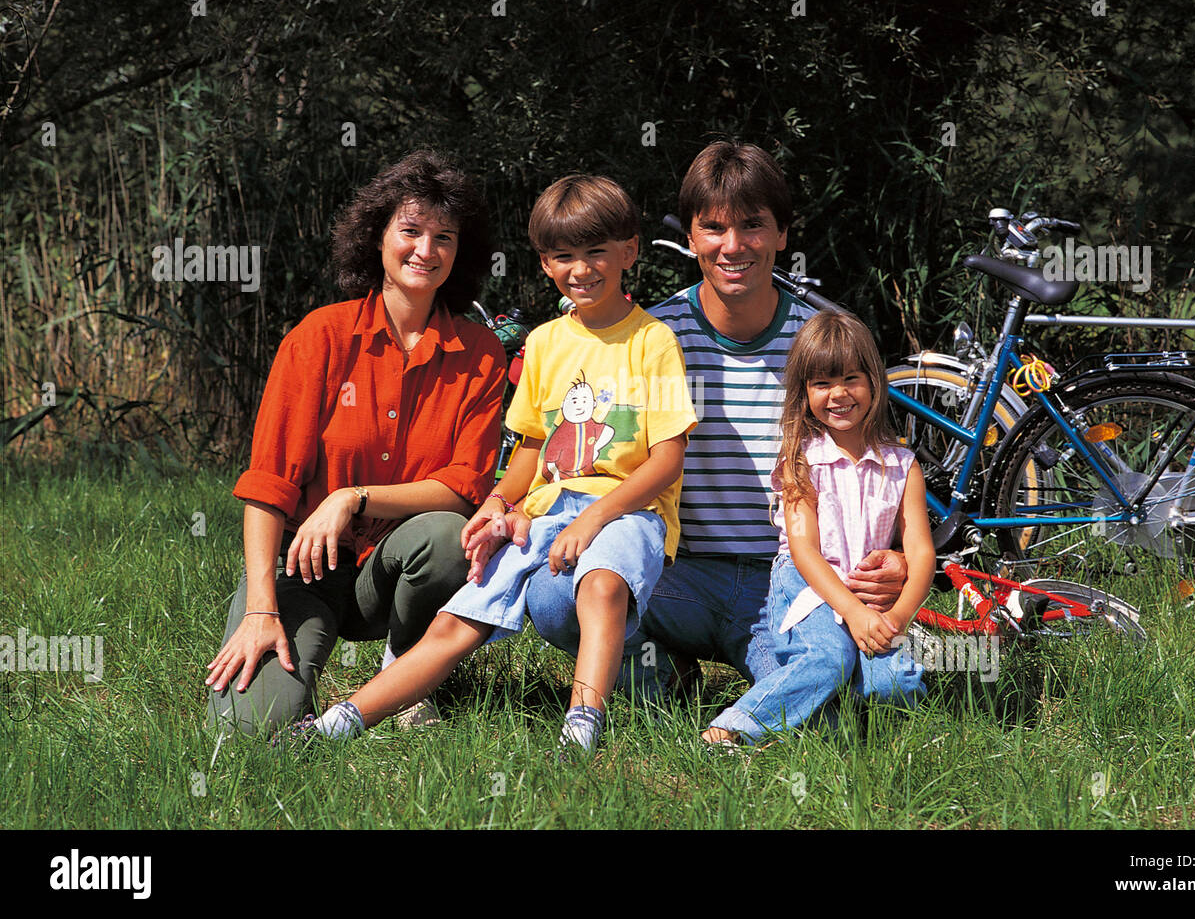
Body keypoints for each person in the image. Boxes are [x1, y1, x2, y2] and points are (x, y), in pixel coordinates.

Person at [290, 175, 697, 755]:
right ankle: (345, 719)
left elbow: (666, 462)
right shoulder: (548, 344)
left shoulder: (652, 341)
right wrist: (496, 505)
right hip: (543, 512)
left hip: (627, 510)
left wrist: (594, 519)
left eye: (596, 252)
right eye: (564, 256)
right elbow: (530, 451)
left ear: (630, 252)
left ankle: (583, 725)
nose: (581, 269)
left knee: (603, 586)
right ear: (545, 265)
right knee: (460, 619)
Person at [527, 141, 909, 710]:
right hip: (673, 575)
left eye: (753, 226)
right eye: (713, 228)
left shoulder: (824, 340)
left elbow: (874, 466)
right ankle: (662, 678)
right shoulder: (649, 336)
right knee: (559, 597)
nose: (734, 246)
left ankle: (762, 690)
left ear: (783, 233)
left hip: (791, 579)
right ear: (690, 238)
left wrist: (897, 554)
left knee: (870, 697)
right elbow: (591, 460)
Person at [204, 148, 506, 736]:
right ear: (376, 236)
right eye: (411, 230)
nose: (426, 249)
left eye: (444, 237)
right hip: (302, 566)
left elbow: (465, 486)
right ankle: (286, 649)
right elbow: (268, 484)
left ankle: (408, 677)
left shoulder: (480, 353)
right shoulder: (319, 337)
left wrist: (353, 497)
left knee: (448, 539)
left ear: (460, 252)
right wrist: (262, 608)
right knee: (249, 732)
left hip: (397, 570)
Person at [704, 311, 932, 744]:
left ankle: (826, 713)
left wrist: (897, 618)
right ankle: (734, 728)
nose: (839, 394)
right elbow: (804, 549)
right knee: (828, 658)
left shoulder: (904, 466)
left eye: (851, 378)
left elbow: (920, 551)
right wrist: (851, 611)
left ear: (874, 382)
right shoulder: (801, 461)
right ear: (804, 393)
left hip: (869, 593)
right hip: (807, 588)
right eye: (822, 384)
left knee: (895, 686)